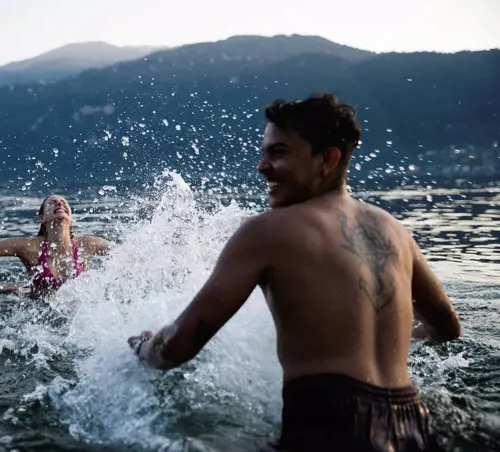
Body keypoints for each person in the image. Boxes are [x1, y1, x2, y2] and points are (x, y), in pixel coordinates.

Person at [127, 93, 461, 451]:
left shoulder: (268, 231)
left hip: (331, 429)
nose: (262, 166)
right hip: (413, 425)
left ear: (328, 159)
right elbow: (447, 328)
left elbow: (179, 345)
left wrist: (145, 347)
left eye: (278, 153)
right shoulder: (393, 230)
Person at [0, 194, 112, 298]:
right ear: (42, 218)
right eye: (53, 202)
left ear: (71, 217)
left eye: (64, 202)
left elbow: (127, 253)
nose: (60, 203)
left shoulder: (87, 244)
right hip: (37, 317)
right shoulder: (30, 247)